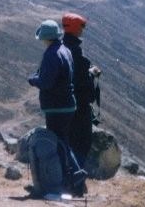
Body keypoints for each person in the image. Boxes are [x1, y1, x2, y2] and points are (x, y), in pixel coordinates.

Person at [28, 19, 86, 196]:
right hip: (67, 104)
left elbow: (46, 82)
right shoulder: (64, 50)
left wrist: (33, 79)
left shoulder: (51, 54)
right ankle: (74, 178)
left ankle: (72, 179)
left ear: (45, 38)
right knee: (63, 142)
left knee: (59, 144)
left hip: (56, 107)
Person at [61, 12, 101, 166]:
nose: (83, 30)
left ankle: (66, 173)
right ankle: (76, 177)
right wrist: (92, 73)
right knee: (82, 142)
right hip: (79, 107)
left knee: (67, 140)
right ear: (77, 29)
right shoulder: (76, 53)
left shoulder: (61, 48)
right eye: (81, 27)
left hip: (63, 104)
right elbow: (84, 83)